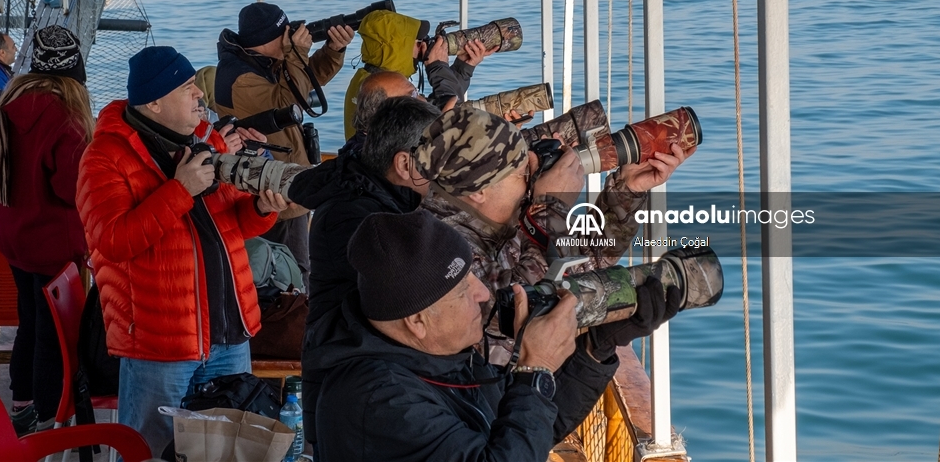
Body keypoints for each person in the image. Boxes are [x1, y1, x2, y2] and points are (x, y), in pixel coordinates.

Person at [304, 210, 678, 461]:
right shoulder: (377, 402)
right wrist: (534, 370)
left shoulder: (438, 356)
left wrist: (597, 348)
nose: (483, 293)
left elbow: (524, 430)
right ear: (418, 321)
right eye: (464, 290)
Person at [76, 45, 288, 457]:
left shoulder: (206, 140)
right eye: (187, 87)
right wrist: (179, 191)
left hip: (229, 333)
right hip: (161, 345)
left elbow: (236, 224)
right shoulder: (104, 158)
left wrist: (262, 207)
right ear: (154, 102)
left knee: (233, 452)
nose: (199, 95)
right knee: (150, 451)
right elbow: (112, 242)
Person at [413, 106, 692, 363]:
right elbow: (525, 307)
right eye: (522, 173)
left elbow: (584, 264)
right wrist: (551, 207)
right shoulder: (439, 246)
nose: (531, 179)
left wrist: (628, 189)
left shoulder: (490, 221)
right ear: (478, 190)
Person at [289, 95, 439, 448]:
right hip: (352, 398)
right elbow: (416, 290)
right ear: (404, 164)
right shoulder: (357, 218)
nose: (446, 167)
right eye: (439, 154)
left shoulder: (376, 196)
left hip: (368, 387)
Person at [0, 25, 92, 434]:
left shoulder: (10, 104)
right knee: (55, 336)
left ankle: (22, 404)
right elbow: (71, 189)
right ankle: (52, 418)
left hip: (16, 239)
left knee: (29, 322)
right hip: (54, 244)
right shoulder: (67, 117)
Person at [215, 1, 353, 274]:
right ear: (266, 39)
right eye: (285, 34)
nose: (291, 38)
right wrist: (297, 51)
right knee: (290, 280)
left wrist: (333, 49)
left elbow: (305, 81)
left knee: (295, 275)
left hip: (286, 187)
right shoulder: (239, 78)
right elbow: (289, 99)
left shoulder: (261, 61)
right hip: (272, 200)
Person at [342, 9, 494, 139]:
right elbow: (444, 123)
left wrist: (462, 68)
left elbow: (438, 108)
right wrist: (437, 67)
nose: (424, 46)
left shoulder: (370, 79)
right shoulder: (383, 90)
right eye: (418, 41)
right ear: (397, 48)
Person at [340, 69, 418, 155]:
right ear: (383, 114)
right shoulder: (382, 161)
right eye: (413, 95)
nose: (422, 100)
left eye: (416, 92)